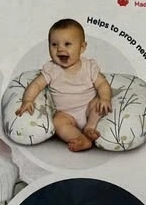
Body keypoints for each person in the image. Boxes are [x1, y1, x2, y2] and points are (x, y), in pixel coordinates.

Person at [16, 18, 112, 152]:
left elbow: (102, 84)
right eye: (54, 44)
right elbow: (36, 84)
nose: (60, 49)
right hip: (67, 114)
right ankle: (81, 139)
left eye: (67, 44)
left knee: (98, 104)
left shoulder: (89, 66)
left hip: (89, 109)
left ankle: (90, 127)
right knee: (58, 122)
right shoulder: (51, 69)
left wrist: (105, 98)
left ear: (82, 47)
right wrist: (27, 100)